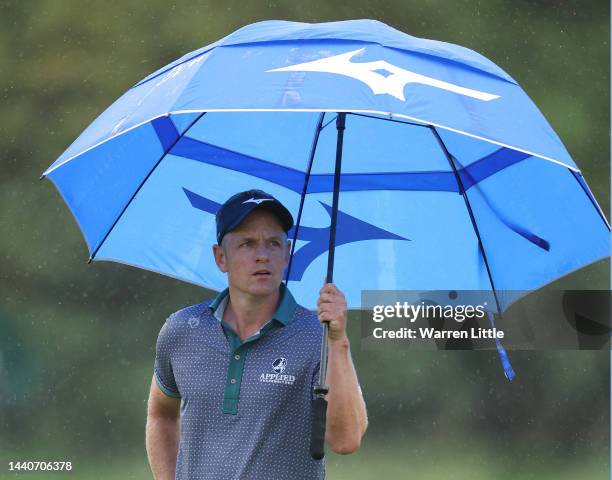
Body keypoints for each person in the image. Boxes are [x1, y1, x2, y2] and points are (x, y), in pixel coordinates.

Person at [145, 189, 367, 480]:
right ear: (220, 257)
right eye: (247, 244)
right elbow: (161, 415)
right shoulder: (182, 330)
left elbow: (346, 440)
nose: (262, 255)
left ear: (287, 254)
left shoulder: (317, 336)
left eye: (273, 243)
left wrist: (338, 341)